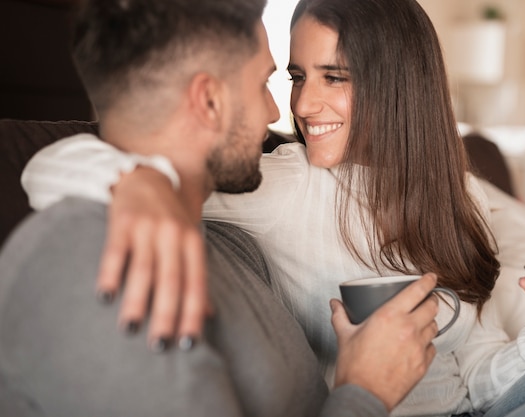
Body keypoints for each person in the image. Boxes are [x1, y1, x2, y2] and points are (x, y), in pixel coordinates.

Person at [18, 0, 525, 416]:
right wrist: (136, 180)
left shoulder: (457, 200)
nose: (302, 105)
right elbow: (51, 160)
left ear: (396, 86)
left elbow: (476, 374)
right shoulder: (279, 182)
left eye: (334, 76)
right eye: (293, 76)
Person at [0, 0, 446, 415]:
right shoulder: (105, 264)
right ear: (210, 101)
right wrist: (366, 392)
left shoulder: (229, 244)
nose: (278, 113)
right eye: (263, 84)